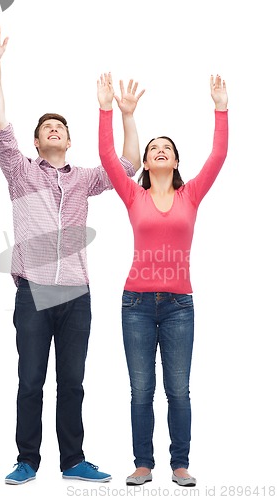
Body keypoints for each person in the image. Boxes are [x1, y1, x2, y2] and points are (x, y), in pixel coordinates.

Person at [0, 24, 144, 485]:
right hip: (33, 291)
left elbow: (127, 168)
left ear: (68, 141)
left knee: (72, 383)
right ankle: (26, 459)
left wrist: (126, 115)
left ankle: (73, 461)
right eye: (46, 127)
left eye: (61, 127)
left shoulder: (84, 180)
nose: (54, 130)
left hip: (76, 292)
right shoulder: (19, 171)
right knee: (30, 381)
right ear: (36, 142)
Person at [97, 72, 228, 486]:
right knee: (140, 391)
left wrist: (220, 108)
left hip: (179, 307)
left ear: (174, 161)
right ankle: (142, 464)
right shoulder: (132, 195)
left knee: (179, 390)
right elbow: (106, 156)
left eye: (164, 149)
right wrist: (113, 112)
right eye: (152, 148)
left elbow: (218, 156)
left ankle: (180, 464)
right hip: (135, 303)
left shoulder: (191, 195)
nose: (157, 152)